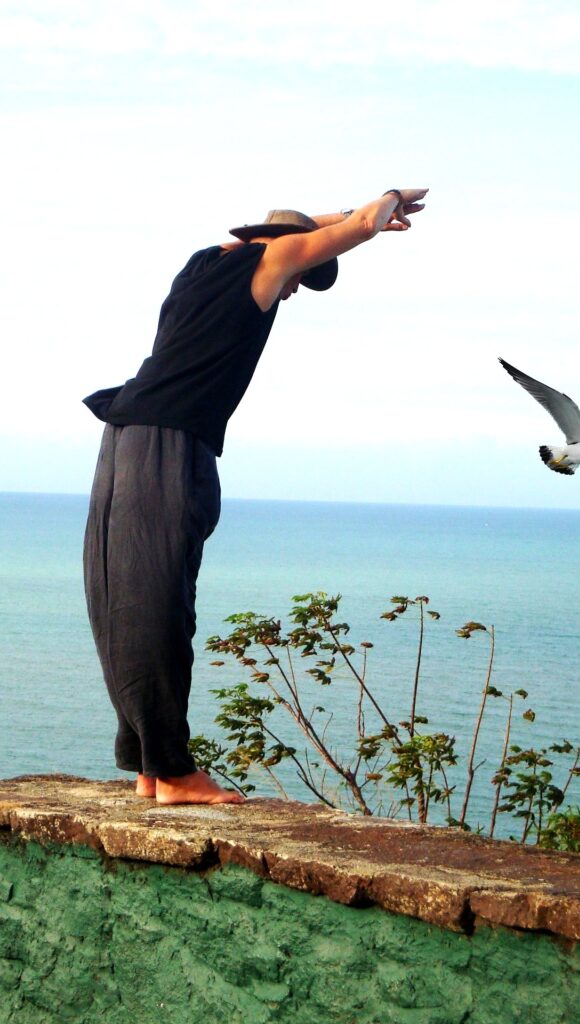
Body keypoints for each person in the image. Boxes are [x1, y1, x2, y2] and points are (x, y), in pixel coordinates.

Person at [82, 188, 428, 805]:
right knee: (161, 603)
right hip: (170, 440)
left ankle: (148, 765)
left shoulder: (204, 261)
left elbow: (290, 229)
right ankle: (173, 772)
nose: (292, 290)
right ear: (288, 251)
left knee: (124, 597)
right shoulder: (272, 260)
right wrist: (389, 200)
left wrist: (345, 212)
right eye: (300, 277)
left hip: (125, 434)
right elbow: (358, 227)